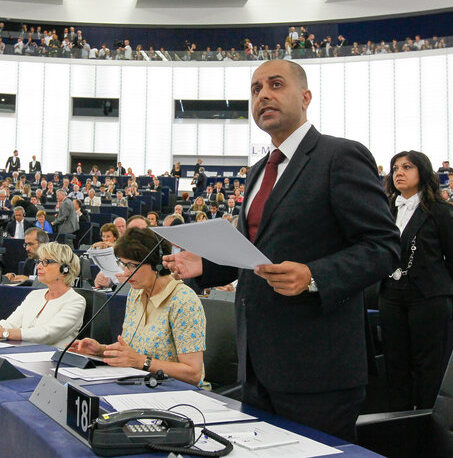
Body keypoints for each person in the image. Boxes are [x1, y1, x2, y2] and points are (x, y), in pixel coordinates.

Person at [164, 60, 400, 441]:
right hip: (257, 367)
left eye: (276, 84)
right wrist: (205, 267)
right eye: (256, 89)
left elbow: (384, 246)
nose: (263, 95)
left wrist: (314, 276)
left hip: (318, 371)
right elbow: (253, 256)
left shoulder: (340, 156)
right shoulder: (259, 170)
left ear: (305, 98)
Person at [380, 151, 453, 410]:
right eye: (395, 168)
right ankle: (399, 427)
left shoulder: (439, 209)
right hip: (392, 295)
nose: (399, 172)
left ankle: (427, 430)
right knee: (395, 365)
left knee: (427, 367)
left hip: (429, 298)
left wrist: (449, 298)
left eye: (407, 167)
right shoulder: (385, 209)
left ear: (423, 172)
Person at [73, 228, 206, 386]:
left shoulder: (183, 301)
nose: (125, 272)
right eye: (123, 264)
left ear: (157, 265)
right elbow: (133, 351)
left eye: (132, 265)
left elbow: (193, 374)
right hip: (140, 384)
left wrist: (142, 362)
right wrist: (101, 351)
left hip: (177, 392)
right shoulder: (135, 293)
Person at [0, 242, 85, 346]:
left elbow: (47, 334)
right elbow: (11, 323)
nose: (39, 266)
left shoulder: (76, 301)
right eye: (39, 261)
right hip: (22, 354)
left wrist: (3, 333)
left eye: (46, 262)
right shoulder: (34, 295)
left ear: (64, 269)